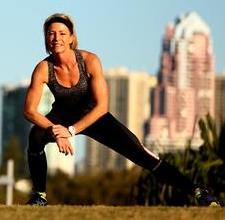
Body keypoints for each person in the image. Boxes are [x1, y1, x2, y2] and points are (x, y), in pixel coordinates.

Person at [22, 13, 222, 207]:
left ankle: (198, 192)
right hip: (62, 116)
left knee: (141, 154)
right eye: (51, 33)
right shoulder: (43, 69)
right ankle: (39, 195)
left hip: (94, 116)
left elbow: (102, 107)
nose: (56, 38)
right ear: (46, 39)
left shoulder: (89, 61)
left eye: (62, 33)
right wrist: (56, 131)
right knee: (36, 137)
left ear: (71, 38)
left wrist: (71, 131)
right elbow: (29, 111)